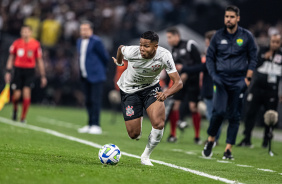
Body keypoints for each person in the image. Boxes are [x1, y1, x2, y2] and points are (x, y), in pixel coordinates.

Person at [112, 31, 183, 166]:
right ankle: (138, 118)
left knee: (159, 123)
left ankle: (145, 156)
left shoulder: (164, 55)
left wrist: (166, 93)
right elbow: (121, 48)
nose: (142, 49)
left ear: (155, 47)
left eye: (146, 46)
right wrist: (120, 62)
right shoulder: (132, 52)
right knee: (134, 134)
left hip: (151, 89)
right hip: (129, 90)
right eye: (141, 45)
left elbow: (178, 82)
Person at [202, 5, 257, 160]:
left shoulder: (247, 36)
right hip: (220, 80)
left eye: (232, 17)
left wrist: (247, 79)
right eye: (227, 16)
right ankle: (211, 140)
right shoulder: (217, 36)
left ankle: (228, 150)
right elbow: (210, 58)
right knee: (218, 112)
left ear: (238, 18)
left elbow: (253, 58)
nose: (229, 19)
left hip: (239, 81)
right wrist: (214, 75)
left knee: (234, 116)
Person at [237, 33, 282, 148]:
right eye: (273, 41)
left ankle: (266, 141)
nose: (275, 44)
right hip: (257, 88)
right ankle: (246, 139)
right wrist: (264, 57)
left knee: (270, 116)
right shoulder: (262, 50)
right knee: (250, 113)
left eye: (277, 42)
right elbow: (254, 65)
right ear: (270, 41)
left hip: (272, 90)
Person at [166, 27, 202, 144]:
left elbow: (200, 66)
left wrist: (186, 71)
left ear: (177, 36)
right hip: (179, 82)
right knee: (175, 105)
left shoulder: (189, 45)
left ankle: (197, 137)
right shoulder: (173, 51)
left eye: (170, 37)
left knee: (193, 107)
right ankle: (173, 134)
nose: (168, 40)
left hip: (192, 81)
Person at [5, 25, 47, 122]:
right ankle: (15, 109)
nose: (25, 33)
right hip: (18, 70)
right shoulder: (16, 43)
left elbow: (39, 60)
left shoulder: (36, 44)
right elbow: (11, 58)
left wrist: (43, 76)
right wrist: (8, 71)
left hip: (29, 71)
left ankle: (23, 117)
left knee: (26, 94)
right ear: (21, 33)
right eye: (23, 32)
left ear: (30, 33)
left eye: (27, 31)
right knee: (16, 96)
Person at [76, 21, 109, 134]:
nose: (83, 31)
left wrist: (99, 70)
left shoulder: (96, 41)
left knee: (95, 100)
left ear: (91, 30)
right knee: (88, 100)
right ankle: (90, 123)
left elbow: (105, 57)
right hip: (85, 75)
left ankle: (96, 124)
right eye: (82, 29)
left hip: (96, 75)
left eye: (86, 29)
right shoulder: (79, 41)